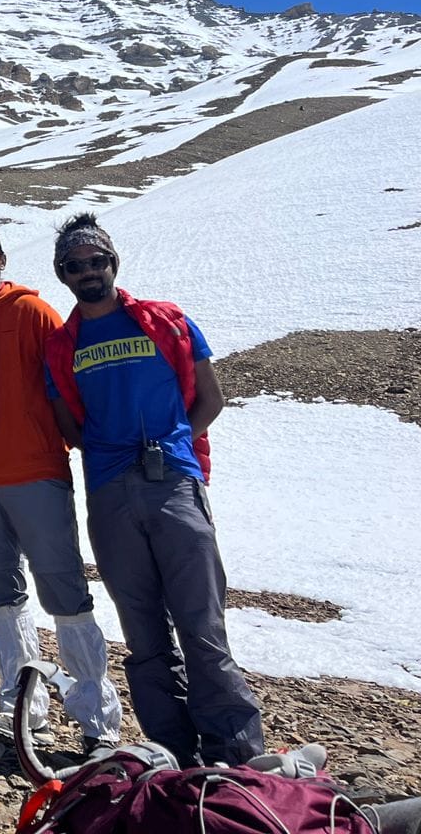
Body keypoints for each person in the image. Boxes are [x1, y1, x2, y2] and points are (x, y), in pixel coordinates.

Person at [44, 212, 263, 766]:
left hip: (175, 487)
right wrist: (104, 452)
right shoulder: (62, 343)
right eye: (76, 265)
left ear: (113, 263)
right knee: (143, 633)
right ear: (63, 274)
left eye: (97, 261)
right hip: (111, 492)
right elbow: (66, 421)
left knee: (201, 624)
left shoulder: (166, 321)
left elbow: (209, 399)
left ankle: (234, 753)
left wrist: (173, 444)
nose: (89, 271)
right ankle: (172, 751)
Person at [0, 219, 122, 753]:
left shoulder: (34, 312)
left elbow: (66, 382)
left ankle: (97, 722)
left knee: (65, 595)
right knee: (2, 597)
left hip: (37, 472)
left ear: (1, 256)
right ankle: (22, 709)